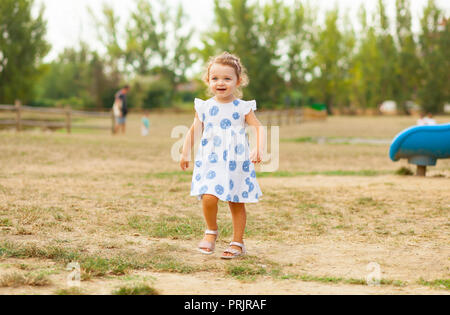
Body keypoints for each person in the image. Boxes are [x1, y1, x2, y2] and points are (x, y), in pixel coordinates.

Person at [179, 52, 264, 259]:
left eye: (227, 78)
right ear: (208, 80)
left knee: (236, 201)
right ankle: (211, 231)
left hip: (236, 163)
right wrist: (185, 151)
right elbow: (194, 130)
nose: (221, 83)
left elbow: (258, 128)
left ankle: (237, 242)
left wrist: (258, 147)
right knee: (208, 197)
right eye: (215, 78)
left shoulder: (242, 107)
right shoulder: (205, 107)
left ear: (238, 81)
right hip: (210, 161)